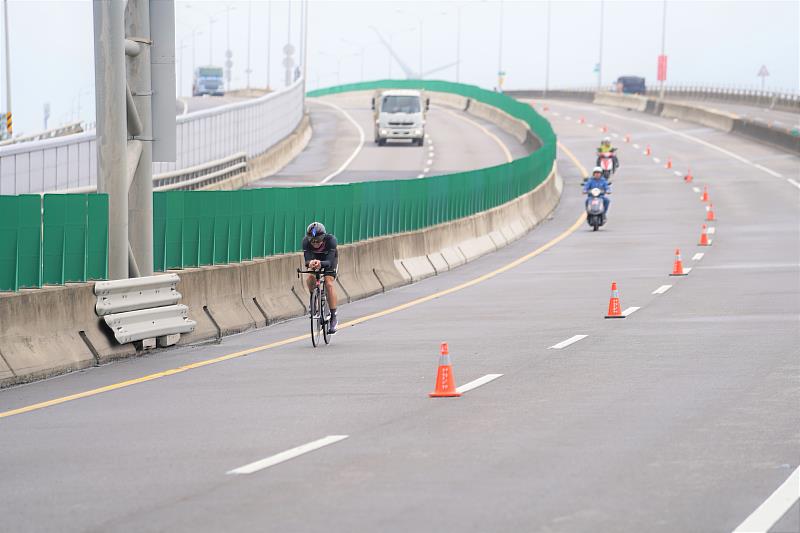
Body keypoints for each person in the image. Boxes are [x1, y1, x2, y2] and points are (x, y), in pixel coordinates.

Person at [302, 222, 339, 333]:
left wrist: (320, 263)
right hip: (315, 259)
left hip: (329, 260)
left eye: (318, 240)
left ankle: (333, 316)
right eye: (312, 240)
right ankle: (314, 297)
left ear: (323, 237)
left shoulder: (331, 240)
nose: (315, 243)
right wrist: (311, 263)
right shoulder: (305, 242)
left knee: (328, 283)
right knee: (310, 278)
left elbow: (329, 261)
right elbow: (307, 260)